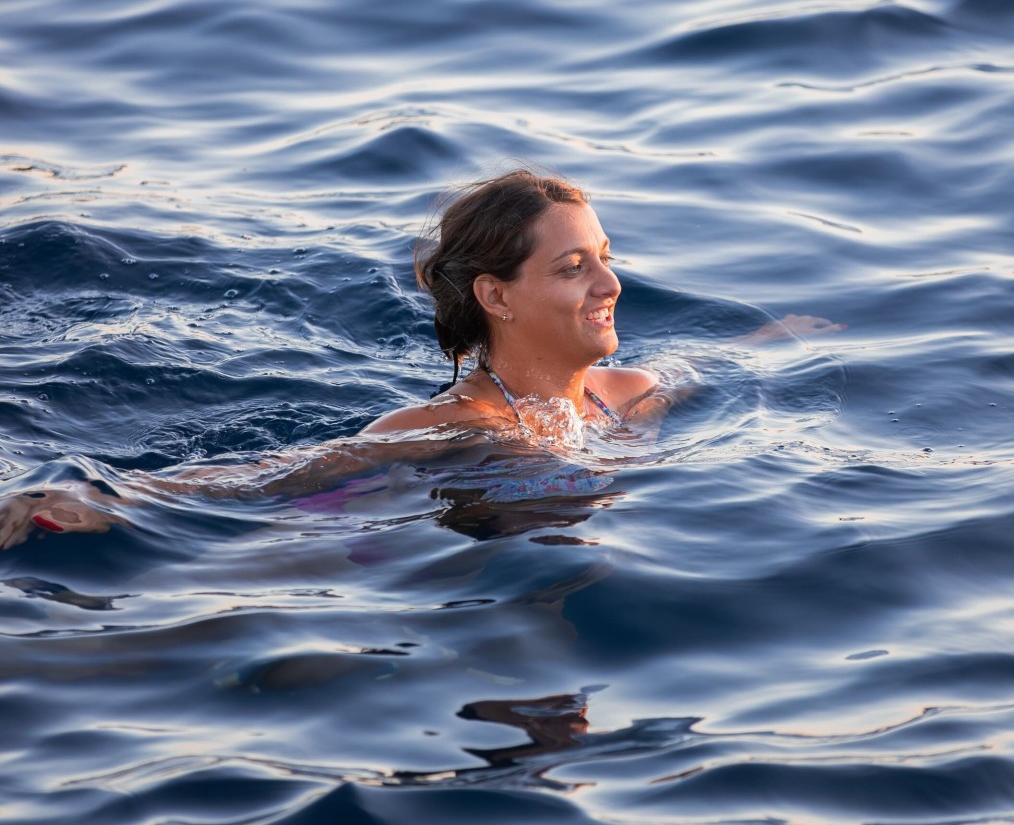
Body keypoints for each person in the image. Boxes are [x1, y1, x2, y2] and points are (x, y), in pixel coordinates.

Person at [0, 169, 842, 549]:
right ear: (496, 297)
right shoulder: (450, 425)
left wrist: (772, 339)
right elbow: (272, 474)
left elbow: (703, 365)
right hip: (399, 556)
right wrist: (100, 497)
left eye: (606, 254)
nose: (612, 282)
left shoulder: (626, 394)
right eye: (573, 265)